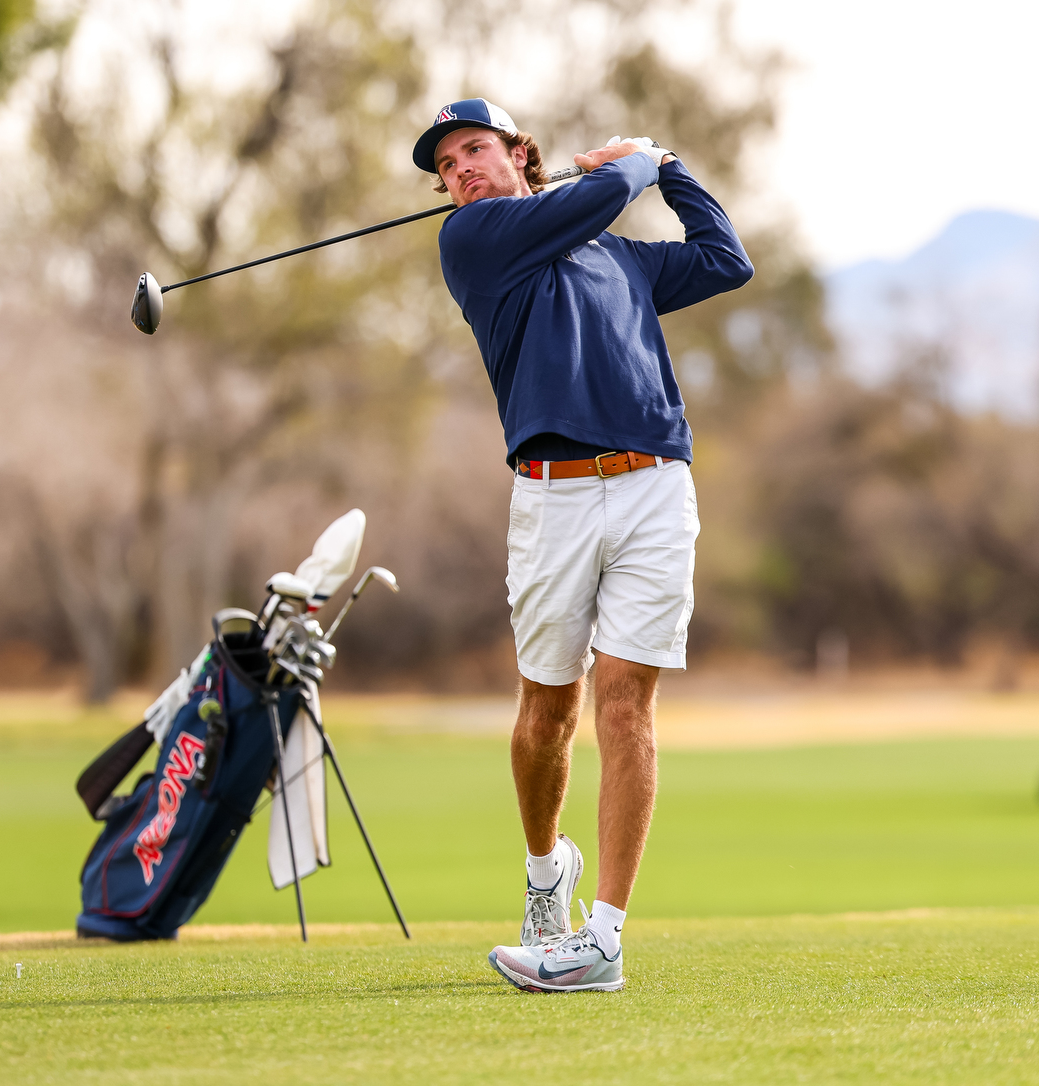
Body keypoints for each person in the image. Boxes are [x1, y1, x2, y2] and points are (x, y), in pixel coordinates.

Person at [412, 99, 753, 992]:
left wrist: (669, 165)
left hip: (654, 485)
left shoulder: (616, 256)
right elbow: (595, 199)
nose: (461, 171)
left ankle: (601, 937)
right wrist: (636, 160)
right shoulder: (475, 243)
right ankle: (542, 872)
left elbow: (726, 260)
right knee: (546, 714)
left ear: (518, 152)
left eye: (474, 149)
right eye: (446, 165)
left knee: (625, 705)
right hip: (552, 498)